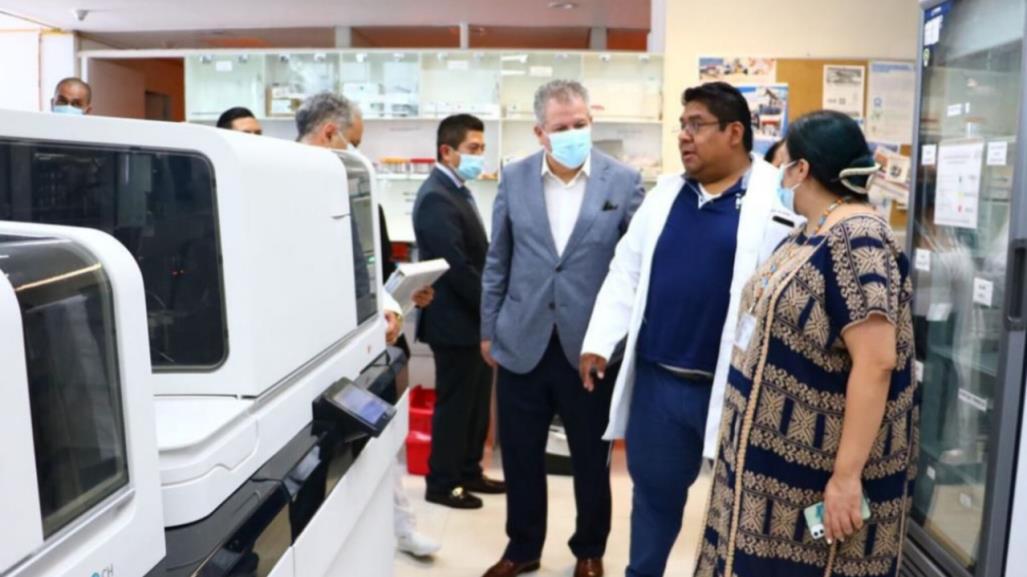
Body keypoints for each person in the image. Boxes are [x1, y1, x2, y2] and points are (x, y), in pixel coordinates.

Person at [579, 82, 799, 577]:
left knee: (744, 503)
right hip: (659, 384)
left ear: (735, 133)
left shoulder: (774, 196)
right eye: (683, 126)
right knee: (654, 498)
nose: (684, 136)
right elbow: (626, 271)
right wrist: (598, 340)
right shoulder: (666, 194)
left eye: (696, 125)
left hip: (736, 386)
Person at [694, 110, 917, 577]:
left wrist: (845, 477)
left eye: (784, 162)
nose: (778, 172)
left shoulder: (859, 238)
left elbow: (876, 362)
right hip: (764, 476)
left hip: (813, 478)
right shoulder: (811, 230)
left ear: (803, 170)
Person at [479, 79, 644, 577]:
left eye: (581, 125)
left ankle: (589, 550)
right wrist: (488, 329)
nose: (574, 134)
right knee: (522, 454)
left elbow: (633, 265)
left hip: (590, 347)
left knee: (592, 459)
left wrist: (619, 339)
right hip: (522, 338)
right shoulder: (515, 179)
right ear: (539, 132)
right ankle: (522, 548)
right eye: (562, 127)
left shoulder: (623, 181)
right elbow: (498, 259)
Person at [295, 93, 439, 559]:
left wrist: (392, 299)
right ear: (330, 133)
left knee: (379, 452)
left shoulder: (353, 187)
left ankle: (394, 530)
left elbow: (365, 266)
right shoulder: (284, 183)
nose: (359, 154)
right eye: (354, 141)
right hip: (309, 350)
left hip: (359, 343)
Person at [412, 113, 505, 511]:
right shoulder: (436, 195)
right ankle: (443, 482)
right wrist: (491, 305)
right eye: (472, 149)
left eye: (482, 149)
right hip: (454, 321)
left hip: (472, 321)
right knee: (455, 406)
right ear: (446, 151)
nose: (479, 157)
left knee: (476, 402)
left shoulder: (458, 190)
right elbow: (456, 266)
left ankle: (469, 471)